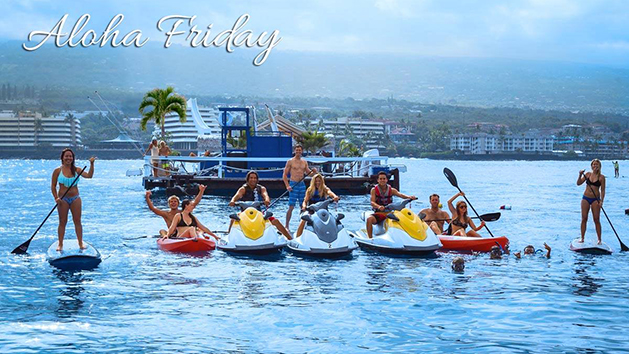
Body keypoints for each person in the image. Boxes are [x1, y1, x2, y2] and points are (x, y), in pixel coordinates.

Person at [50, 148, 96, 251]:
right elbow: (53, 186)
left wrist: (92, 164)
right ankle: (60, 244)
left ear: (73, 158)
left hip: (75, 198)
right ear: (62, 158)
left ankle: (80, 243)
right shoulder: (57, 171)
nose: (68, 158)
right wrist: (56, 198)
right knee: (62, 221)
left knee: (77, 221)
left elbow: (89, 176)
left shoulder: (77, 170)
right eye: (66, 156)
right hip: (62, 199)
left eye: (70, 156)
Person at [229, 171, 292, 240]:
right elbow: (237, 196)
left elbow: (265, 195)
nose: (253, 179)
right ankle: (229, 236)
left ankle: (289, 238)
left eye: (255, 178)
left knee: (275, 221)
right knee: (233, 219)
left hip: (259, 214)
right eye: (251, 178)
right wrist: (232, 201)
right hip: (244, 214)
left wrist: (267, 200)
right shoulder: (243, 189)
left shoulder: (261, 188)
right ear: (248, 179)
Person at [366, 171, 417, 238]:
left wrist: (409, 197)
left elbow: (401, 195)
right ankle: (370, 238)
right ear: (378, 180)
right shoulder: (374, 190)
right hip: (379, 213)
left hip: (389, 213)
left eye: (384, 179)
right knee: (369, 219)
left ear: (387, 180)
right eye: (380, 179)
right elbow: (372, 202)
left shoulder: (392, 190)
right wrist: (379, 206)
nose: (382, 180)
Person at [283, 144, 315, 231]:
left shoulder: (304, 162)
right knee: (291, 206)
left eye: (299, 150)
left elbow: (308, 173)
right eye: (297, 150)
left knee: (303, 206)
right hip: (293, 184)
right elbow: (285, 175)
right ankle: (287, 226)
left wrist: (314, 172)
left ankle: (303, 226)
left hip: (302, 185)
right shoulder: (290, 161)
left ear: (302, 151)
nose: (298, 152)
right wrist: (287, 186)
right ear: (294, 151)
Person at [577, 159, 606, 244]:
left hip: (595, 200)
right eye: (593, 165)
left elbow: (603, 190)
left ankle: (599, 239)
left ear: (599, 166)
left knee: (596, 219)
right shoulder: (588, 175)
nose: (595, 166)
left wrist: (601, 201)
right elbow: (578, 183)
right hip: (585, 198)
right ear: (591, 166)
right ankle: (582, 238)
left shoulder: (601, 177)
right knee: (584, 218)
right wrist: (580, 175)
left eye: (597, 165)